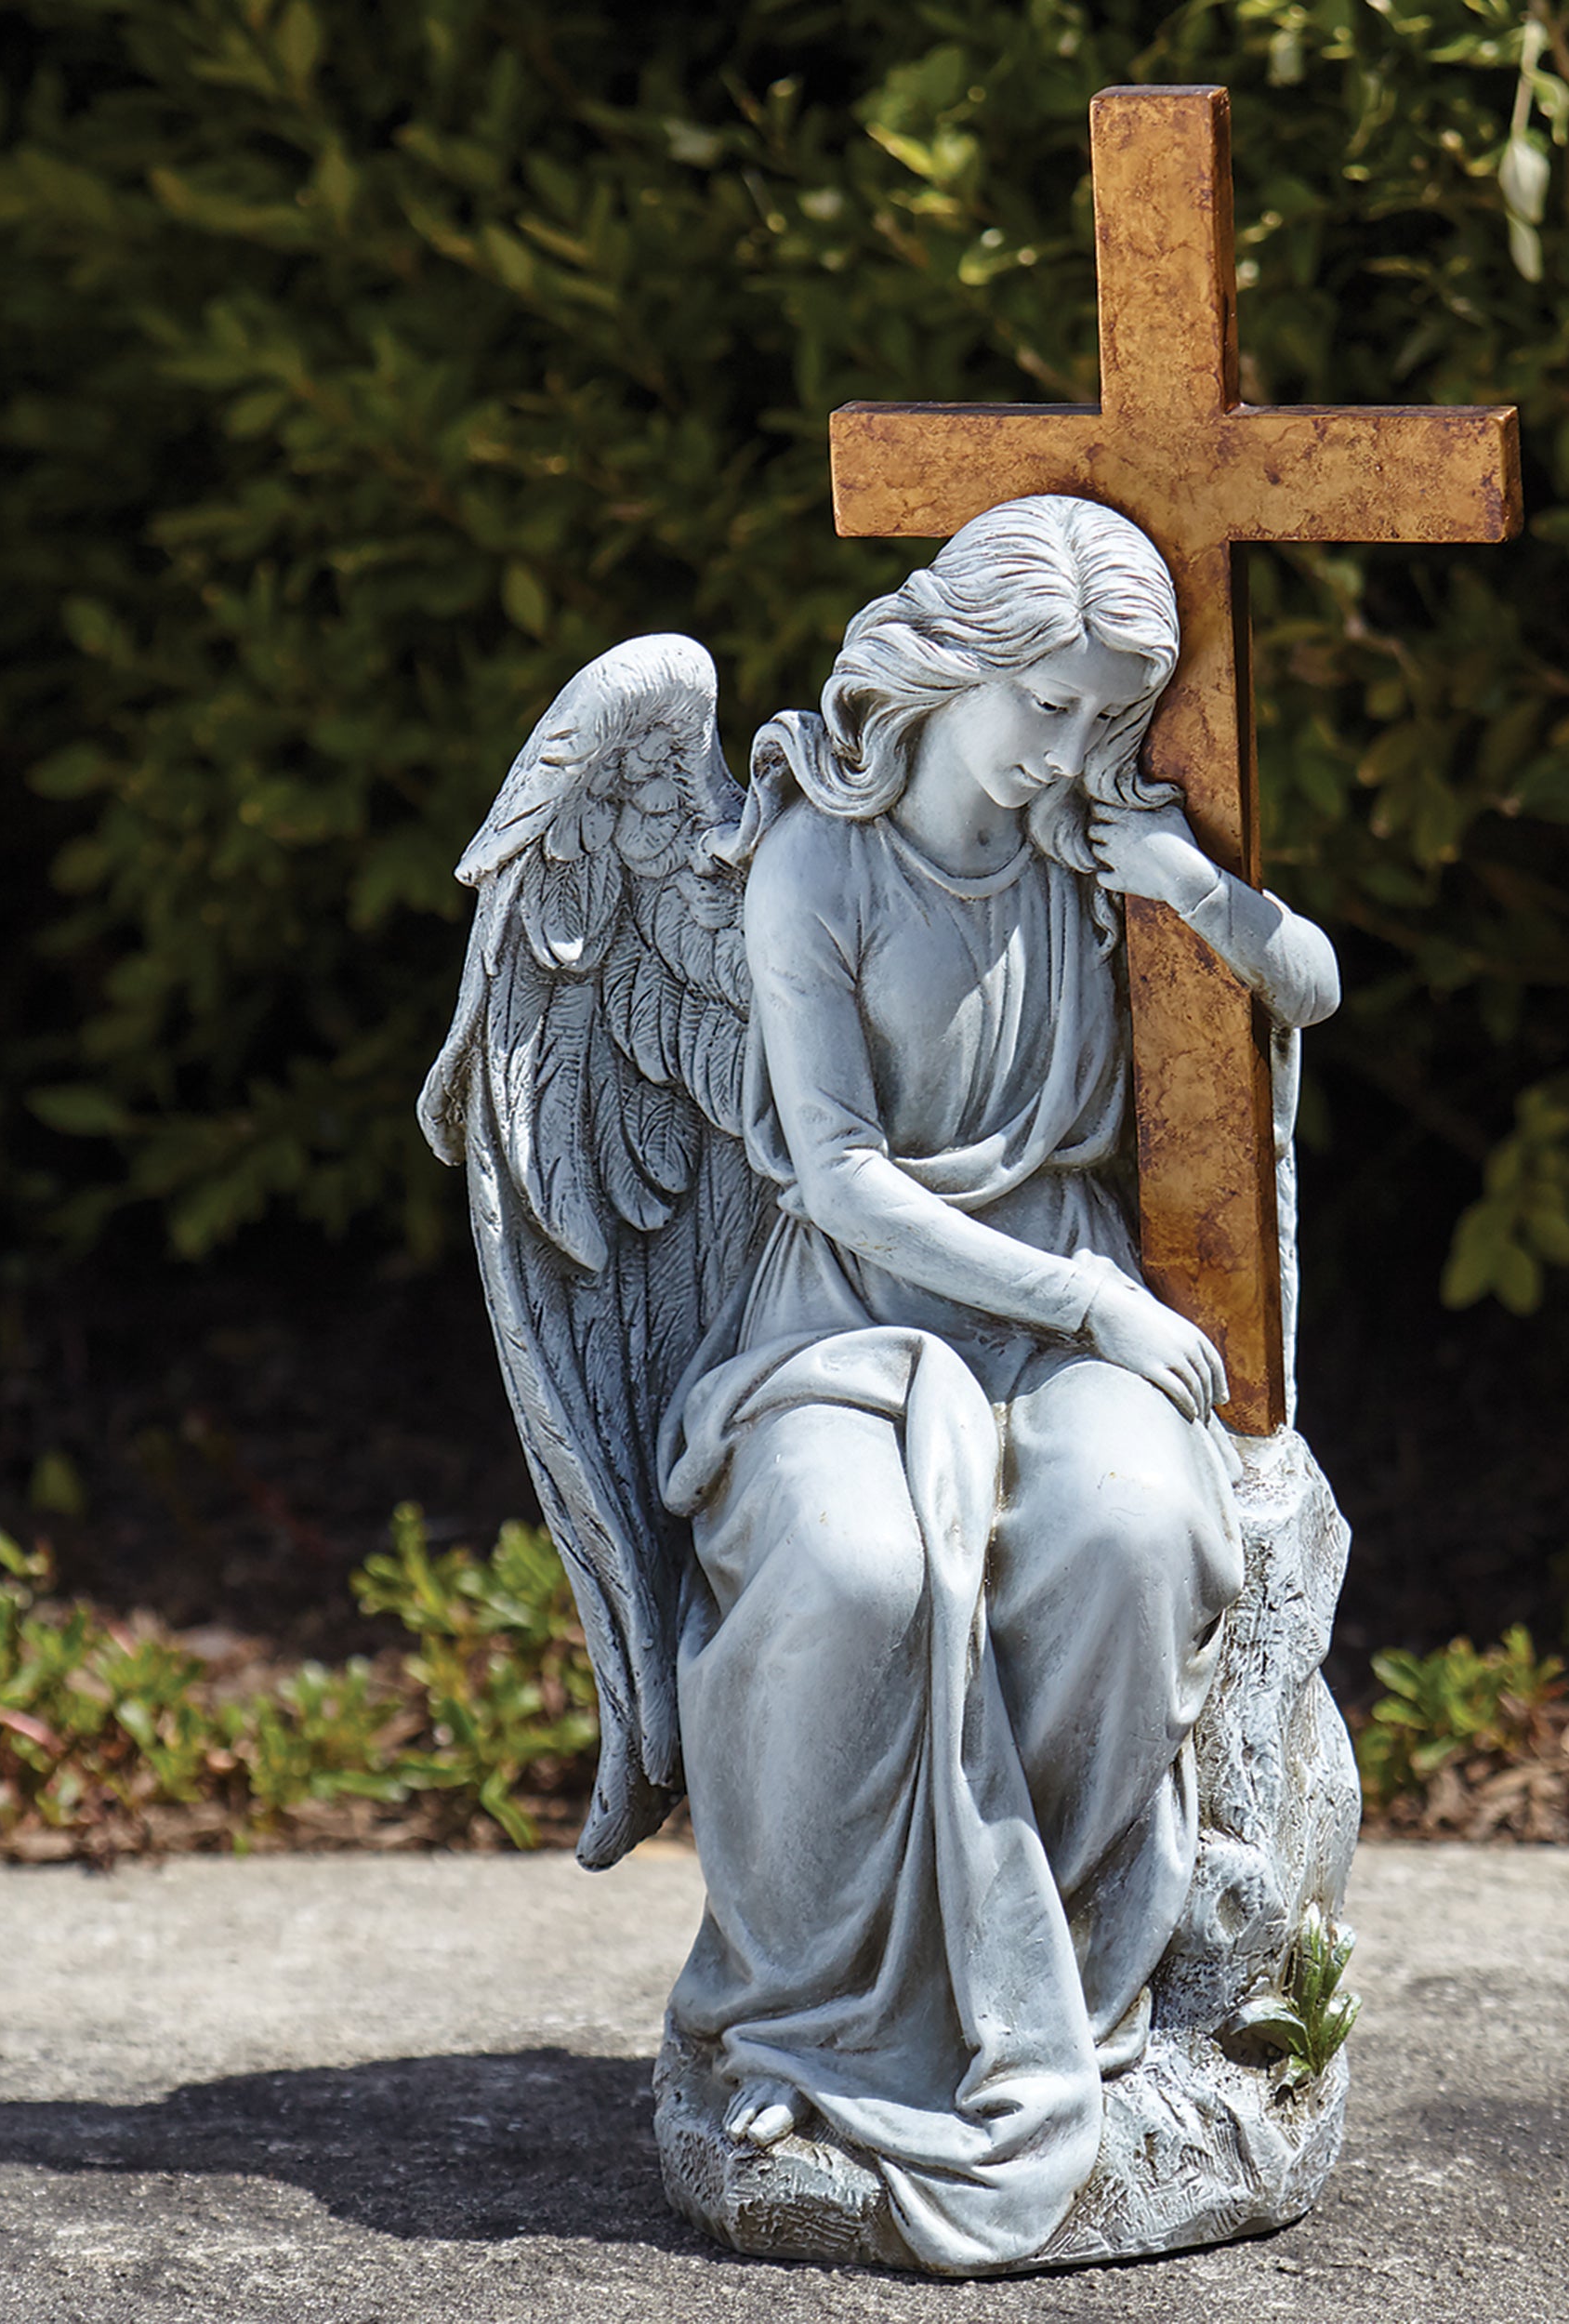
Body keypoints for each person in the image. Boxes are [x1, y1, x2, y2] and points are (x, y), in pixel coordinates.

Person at [653, 494, 1339, 2272]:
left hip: (1070, 1320)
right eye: (1046, 701)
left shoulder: (1093, 849)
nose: (1069, 746)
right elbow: (839, 1174)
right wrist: (1089, 1302)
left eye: (1110, 713)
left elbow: (1313, 985)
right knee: (857, 1570)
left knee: (1130, 1532)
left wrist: (1186, 883)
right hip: (848, 1325)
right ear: (951, 660)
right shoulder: (817, 863)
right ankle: (810, 2009)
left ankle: (1061, 1995)